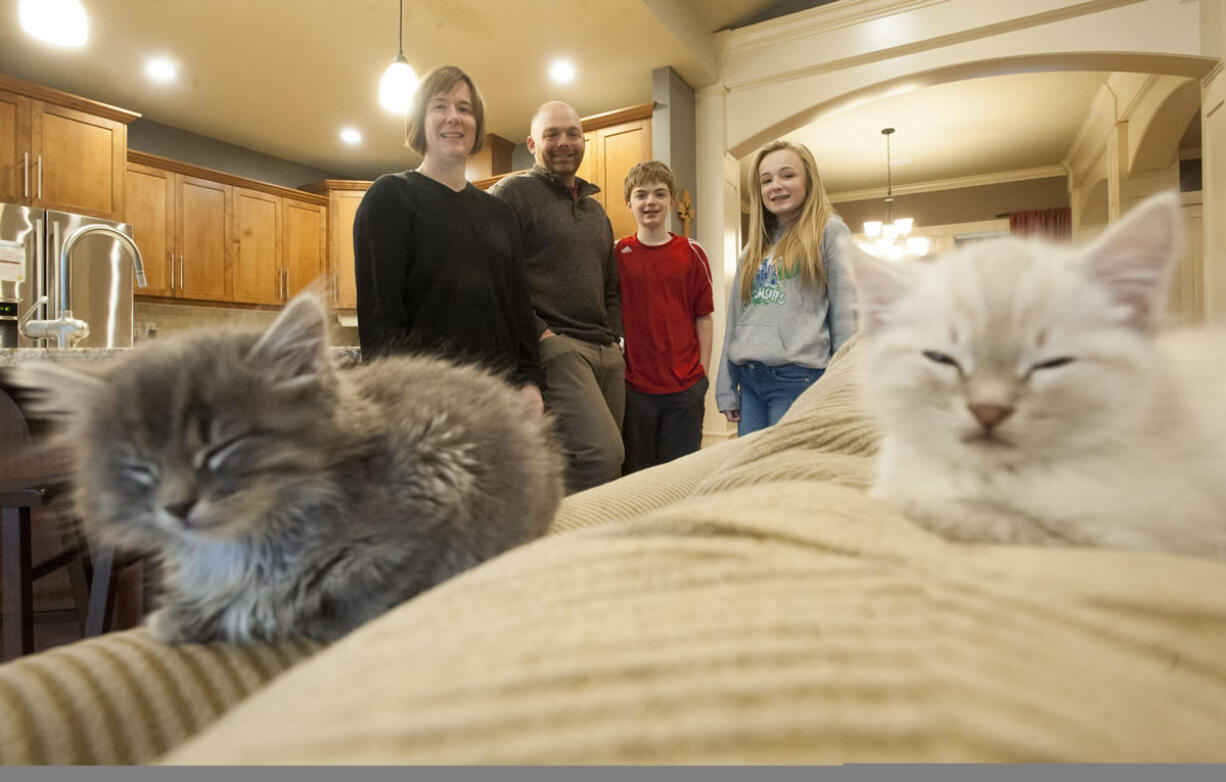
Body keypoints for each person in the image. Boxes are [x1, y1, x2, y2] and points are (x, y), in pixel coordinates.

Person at [352, 65, 544, 415]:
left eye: (464, 108)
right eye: (439, 106)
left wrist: (530, 381)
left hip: (501, 399)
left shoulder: (500, 215)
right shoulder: (390, 198)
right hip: (426, 405)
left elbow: (519, 308)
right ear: (420, 122)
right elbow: (381, 315)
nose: (453, 117)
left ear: (476, 124)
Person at [490, 101, 624, 493]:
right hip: (559, 349)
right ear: (533, 144)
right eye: (552, 134)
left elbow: (610, 283)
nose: (564, 142)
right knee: (601, 456)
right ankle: (550, 539)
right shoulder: (513, 194)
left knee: (608, 471)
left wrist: (615, 337)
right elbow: (495, 276)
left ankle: (588, 550)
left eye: (572, 134)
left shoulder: (598, 212)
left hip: (606, 353)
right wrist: (543, 336)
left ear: (584, 141)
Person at [715, 139, 855, 436]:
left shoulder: (830, 232)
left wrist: (844, 386)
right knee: (751, 473)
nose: (776, 185)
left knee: (785, 474)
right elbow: (736, 321)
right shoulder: (752, 248)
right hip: (750, 380)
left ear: (808, 180)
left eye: (788, 175)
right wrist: (726, 387)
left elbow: (846, 316)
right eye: (766, 180)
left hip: (800, 378)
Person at [615, 160, 714, 473]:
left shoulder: (692, 252)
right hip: (635, 390)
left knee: (681, 475)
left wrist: (702, 375)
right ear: (629, 204)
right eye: (641, 195)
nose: (650, 202)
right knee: (637, 475)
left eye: (659, 194)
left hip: (685, 389)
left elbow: (705, 317)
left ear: (672, 201)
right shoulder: (616, 254)